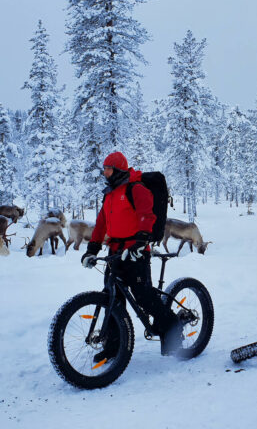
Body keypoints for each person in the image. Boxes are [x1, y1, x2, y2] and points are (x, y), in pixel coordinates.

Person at [81, 152, 183, 360]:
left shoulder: (136, 188)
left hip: (136, 251)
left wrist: (141, 241)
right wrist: (92, 249)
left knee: (143, 296)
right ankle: (114, 347)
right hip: (115, 251)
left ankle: (172, 327)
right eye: (104, 169)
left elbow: (147, 215)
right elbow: (101, 224)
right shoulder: (109, 194)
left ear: (117, 169)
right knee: (113, 298)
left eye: (108, 168)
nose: (104, 172)